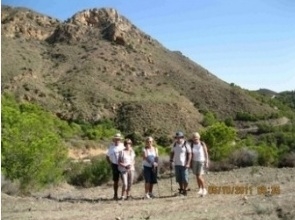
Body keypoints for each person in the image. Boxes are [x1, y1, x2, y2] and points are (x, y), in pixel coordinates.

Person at [169, 131, 192, 196]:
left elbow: (190, 154)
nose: (178, 139)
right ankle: (181, 189)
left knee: (185, 178)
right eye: (177, 137)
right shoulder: (174, 145)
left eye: (180, 137)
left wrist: (188, 163)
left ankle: (185, 190)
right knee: (179, 178)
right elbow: (172, 152)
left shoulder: (186, 144)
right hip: (176, 164)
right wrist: (171, 160)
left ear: (182, 137)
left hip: (184, 164)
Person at [106, 133, 125, 200]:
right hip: (115, 165)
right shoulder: (111, 147)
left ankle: (123, 195)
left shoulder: (123, 146)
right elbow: (107, 156)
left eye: (119, 139)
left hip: (122, 165)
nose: (117, 140)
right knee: (115, 181)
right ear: (114, 140)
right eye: (116, 139)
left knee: (124, 180)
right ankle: (115, 195)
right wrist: (110, 164)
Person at [190, 132, 209, 196]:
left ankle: (204, 189)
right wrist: (190, 163)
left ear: (199, 138)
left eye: (196, 138)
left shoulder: (202, 144)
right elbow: (191, 154)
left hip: (201, 161)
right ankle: (200, 189)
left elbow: (206, 153)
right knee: (197, 176)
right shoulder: (192, 145)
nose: (195, 139)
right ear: (192, 139)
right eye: (194, 138)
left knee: (199, 176)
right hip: (194, 161)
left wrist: (207, 161)